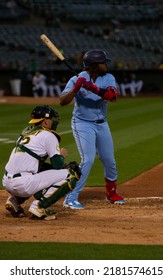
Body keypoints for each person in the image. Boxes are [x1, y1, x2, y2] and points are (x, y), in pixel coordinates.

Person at [59, 49, 125, 209]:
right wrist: (76, 89)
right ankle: (71, 197)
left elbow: (113, 96)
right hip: (82, 124)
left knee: (109, 160)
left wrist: (93, 88)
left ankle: (111, 193)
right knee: (88, 159)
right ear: (94, 66)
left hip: (102, 123)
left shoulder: (108, 77)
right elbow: (62, 101)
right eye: (103, 62)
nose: (106, 65)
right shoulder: (76, 79)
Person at [2, 105, 81, 219]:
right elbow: (58, 165)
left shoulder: (26, 132)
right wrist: (61, 156)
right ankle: (38, 206)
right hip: (24, 184)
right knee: (72, 174)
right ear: (44, 122)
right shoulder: (48, 135)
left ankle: (14, 201)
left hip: (7, 182)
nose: (52, 122)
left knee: (40, 169)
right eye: (51, 119)